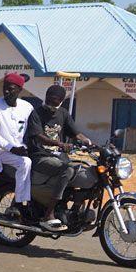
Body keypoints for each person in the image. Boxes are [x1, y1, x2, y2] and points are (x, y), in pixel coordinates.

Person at [25, 84, 92, 231]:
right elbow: (39, 137)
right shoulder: (36, 113)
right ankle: (48, 214)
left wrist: (88, 141)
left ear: (61, 101)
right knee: (67, 171)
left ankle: (75, 209)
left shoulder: (63, 113)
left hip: (59, 156)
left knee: (83, 171)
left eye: (55, 101)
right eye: (49, 99)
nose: (50, 103)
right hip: (40, 155)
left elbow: (75, 133)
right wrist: (59, 144)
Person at [0, 73, 36, 221]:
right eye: (5, 88)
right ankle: (18, 204)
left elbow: (35, 128)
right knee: (25, 163)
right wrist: (11, 148)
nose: (6, 91)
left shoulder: (27, 107)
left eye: (11, 89)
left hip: (18, 148)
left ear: (19, 90)